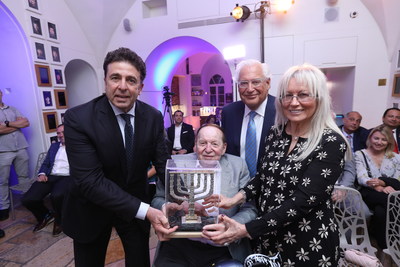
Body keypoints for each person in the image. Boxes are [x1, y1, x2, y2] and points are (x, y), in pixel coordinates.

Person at [203, 63, 349, 266]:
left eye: (303, 95)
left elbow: (302, 201)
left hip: (307, 242)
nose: (294, 103)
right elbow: (263, 177)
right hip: (269, 236)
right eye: (288, 95)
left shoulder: (331, 141)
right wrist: (233, 200)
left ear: (319, 98)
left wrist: (246, 229)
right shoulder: (277, 132)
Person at [62, 47, 175, 267]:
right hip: (90, 208)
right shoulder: (78, 119)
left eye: (131, 80)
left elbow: (163, 164)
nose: (122, 86)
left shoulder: (152, 117)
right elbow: (89, 181)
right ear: (105, 81)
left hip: (135, 209)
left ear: (140, 87)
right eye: (115, 78)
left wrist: (186, 200)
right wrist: (147, 211)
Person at [152, 124, 257, 266]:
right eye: (202, 143)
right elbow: (157, 199)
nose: (208, 149)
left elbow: (250, 208)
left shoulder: (238, 166)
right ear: (195, 145)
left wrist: (230, 227)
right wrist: (169, 206)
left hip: (222, 247)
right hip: (181, 244)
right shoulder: (175, 163)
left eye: (214, 144)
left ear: (224, 147)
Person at [221, 59, 276, 178]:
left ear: (268, 83)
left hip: (271, 189)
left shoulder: (282, 111)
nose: (250, 89)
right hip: (235, 187)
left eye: (256, 82)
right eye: (244, 83)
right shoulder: (228, 113)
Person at [354, 125, 400, 249]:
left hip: (391, 191)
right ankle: (394, 240)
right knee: (393, 201)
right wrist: (378, 187)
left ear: (389, 141)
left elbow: (397, 180)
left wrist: (384, 183)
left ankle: (384, 246)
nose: (379, 142)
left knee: (381, 212)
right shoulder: (360, 154)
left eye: (383, 139)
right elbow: (362, 177)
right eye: (376, 138)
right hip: (368, 192)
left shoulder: (396, 157)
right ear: (370, 138)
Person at [21, 124, 69, 236]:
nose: (60, 135)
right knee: (28, 199)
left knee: (56, 196)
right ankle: (45, 215)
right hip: (50, 176)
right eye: (58, 133)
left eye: (63, 132)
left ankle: (60, 221)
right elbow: (46, 163)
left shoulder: (77, 146)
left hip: (67, 176)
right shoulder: (54, 146)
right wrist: (42, 173)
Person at [0, 89, 30, 221]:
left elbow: (25, 123)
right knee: (3, 181)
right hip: (4, 151)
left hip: (21, 148)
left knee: (24, 176)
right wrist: (16, 125)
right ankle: (3, 208)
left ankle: (29, 201)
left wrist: (6, 124)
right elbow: (19, 124)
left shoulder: (13, 109)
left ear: (1, 94)